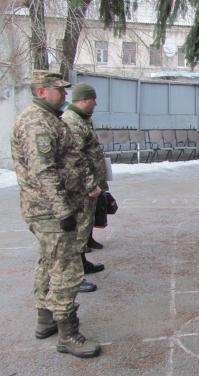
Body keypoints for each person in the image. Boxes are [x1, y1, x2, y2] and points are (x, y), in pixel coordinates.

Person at [11, 70, 101, 358]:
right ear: (41, 91)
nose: (64, 94)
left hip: (49, 209)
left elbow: (70, 160)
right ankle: (68, 333)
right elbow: (44, 172)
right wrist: (63, 211)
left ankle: (45, 319)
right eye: (59, 90)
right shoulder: (36, 123)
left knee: (49, 262)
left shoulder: (49, 118)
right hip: (49, 211)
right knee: (66, 269)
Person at [62, 83, 107, 288]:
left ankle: (82, 264)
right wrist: (90, 184)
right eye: (93, 99)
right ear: (84, 100)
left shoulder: (82, 120)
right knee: (77, 232)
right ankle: (75, 278)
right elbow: (76, 158)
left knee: (84, 228)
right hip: (80, 188)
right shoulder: (72, 122)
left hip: (88, 185)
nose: (95, 103)